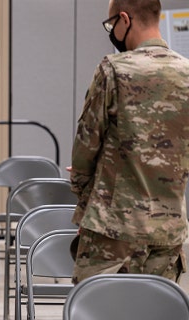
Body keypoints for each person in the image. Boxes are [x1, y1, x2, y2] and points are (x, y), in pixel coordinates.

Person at [69, 0, 189, 285]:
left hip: (112, 230)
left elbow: (86, 147)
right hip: (168, 230)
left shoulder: (113, 70)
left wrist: (84, 199)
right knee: (155, 310)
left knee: (99, 310)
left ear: (125, 18)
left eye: (111, 25)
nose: (111, 31)